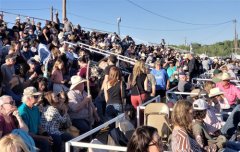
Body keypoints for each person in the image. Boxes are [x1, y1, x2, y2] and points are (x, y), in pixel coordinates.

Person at [18, 87, 52, 152]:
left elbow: (38, 125)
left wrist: (46, 134)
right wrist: (44, 138)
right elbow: (26, 133)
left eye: (38, 96)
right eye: (35, 96)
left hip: (36, 135)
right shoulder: (22, 111)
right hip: (27, 138)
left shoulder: (35, 108)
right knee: (45, 143)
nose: (38, 98)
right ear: (28, 98)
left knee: (54, 138)